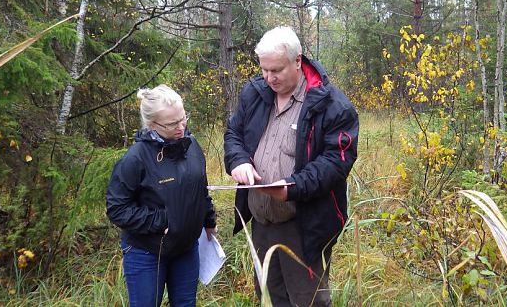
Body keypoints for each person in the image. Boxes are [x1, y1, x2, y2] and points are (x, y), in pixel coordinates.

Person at [224, 26, 359, 306]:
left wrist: (292, 188)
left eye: (276, 70)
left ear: (298, 61)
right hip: (261, 221)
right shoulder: (255, 94)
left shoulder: (331, 105)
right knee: (269, 297)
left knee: (308, 301)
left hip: (304, 225)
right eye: (264, 70)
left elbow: (336, 162)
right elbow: (233, 133)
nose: (268, 78)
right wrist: (238, 160)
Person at [106, 84, 217, 307]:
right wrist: (161, 221)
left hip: (186, 247)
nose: (181, 127)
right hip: (146, 251)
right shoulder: (135, 159)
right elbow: (117, 209)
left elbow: (200, 189)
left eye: (183, 118)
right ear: (152, 125)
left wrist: (208, 220)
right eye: (172, 124)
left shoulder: (192, 146)